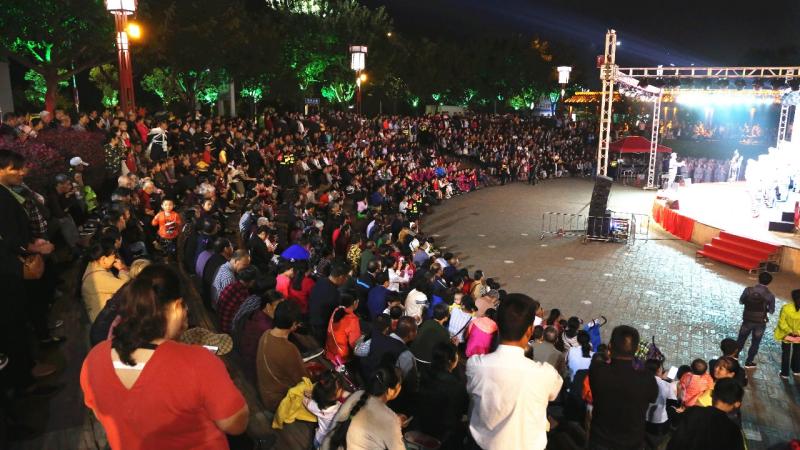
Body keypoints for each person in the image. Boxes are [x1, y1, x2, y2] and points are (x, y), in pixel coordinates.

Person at [80, 264, 248, 449]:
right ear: (177, 306)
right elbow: (236, 425)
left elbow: (102, 413)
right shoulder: (198, 363)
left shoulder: (93, 360)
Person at [467, 293, 562, 450]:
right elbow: (553, 393)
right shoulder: (546, 374)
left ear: (498, 325)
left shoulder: (475, 366)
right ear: (530, 330)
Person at [588, 325, 658, 450]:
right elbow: (653, 398)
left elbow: (599, 361)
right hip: (631, 443)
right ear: (636, 350)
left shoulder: (597, 370)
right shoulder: (647, 378)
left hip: (600, 441)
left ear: (610, 346)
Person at [322, 365, 406, 450]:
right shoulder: (391, 421)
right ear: (390, 391)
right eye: (399, 387)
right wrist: (394, 425)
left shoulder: (358, 395)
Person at [414, 343, 469, 450]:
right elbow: (461, 410)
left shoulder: (424, 373)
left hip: (420, 423)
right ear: (451, 361)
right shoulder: (456, 385)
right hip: (443, 433)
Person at [256, 300, 309, 411]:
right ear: (294, 324)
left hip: (265, 393)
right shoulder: (289, 349)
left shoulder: (266, 334)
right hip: (278, 402)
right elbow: (303, 380)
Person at [666, 378, 745, 450]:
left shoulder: (693, 412)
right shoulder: (734, 431)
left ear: (712, 394)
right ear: (737, 404)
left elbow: (675, 439)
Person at [81, 238, 131, 322]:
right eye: (114, 256)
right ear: (103, 259)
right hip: (105, 320)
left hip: (103, 314)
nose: (115, 259)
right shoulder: (98, 277)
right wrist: (122, 269)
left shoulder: (93, 266)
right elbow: (127, 286)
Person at [736, 271, 775, 369]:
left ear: (758, 279)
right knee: (755, 342)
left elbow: (741, 301)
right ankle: (749, 362)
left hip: (747, 319)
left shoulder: (748, 290)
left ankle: (734, 356)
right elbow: (771, 311)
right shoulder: (770, 295)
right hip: (760, 322)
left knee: (741, 339)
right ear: (769, 282)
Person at [309, 262, 349, 345]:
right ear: (341, 277)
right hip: (321, 327)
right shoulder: (334, 294)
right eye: (346, 277)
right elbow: (335, 316)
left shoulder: (321, 281)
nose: (346, 280)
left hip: (311, 320)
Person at [304, 370, 344, 449]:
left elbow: (305, 401)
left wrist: (311, 395)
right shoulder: (341, 409)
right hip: (331, 441)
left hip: (319, 439)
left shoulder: (314, 406)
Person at [217, 265, 258, 334]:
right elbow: (243, 317)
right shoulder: (244, 294)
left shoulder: (231, 284)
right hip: (227, 328)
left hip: (219, 319)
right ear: (252, 281)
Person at [325, 294, 361, 364]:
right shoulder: (353, 320)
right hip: (341, 358)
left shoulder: (337, 310)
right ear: (355, 302)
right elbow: (355, 345)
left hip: (329, 352)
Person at [775, 289, 800, 379]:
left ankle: (785, 373)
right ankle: (796, 370)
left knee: (786, 353)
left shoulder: (786, 308)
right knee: (798, 352)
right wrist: (797, 332)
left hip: (786, 335)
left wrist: (790, 331)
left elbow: (781, 322)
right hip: (799, 336)